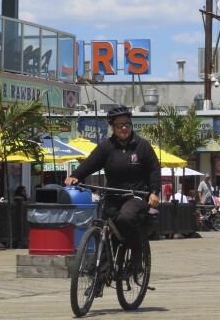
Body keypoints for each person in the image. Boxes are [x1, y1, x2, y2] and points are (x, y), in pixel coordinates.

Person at [64, 105, 161, 287]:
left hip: (136, 195)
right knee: (106, 233)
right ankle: (99, 279)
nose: (124, 128)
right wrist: (76, 175)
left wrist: (155, 192)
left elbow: (154, 170)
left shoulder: (142, 146)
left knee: (125, 218)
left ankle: (136, 259)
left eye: (127, 124)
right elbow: (90, 163)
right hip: (112, 195)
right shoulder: (106, 147)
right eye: (119, 125)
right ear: (112, 127)